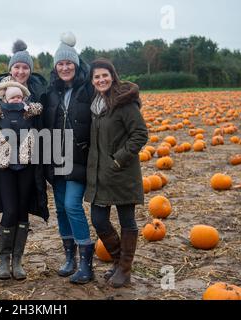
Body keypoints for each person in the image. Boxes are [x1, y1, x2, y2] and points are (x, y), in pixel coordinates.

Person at [0, 41, 49, 281]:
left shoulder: (35, 97)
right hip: (4, 164)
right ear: (11, 69)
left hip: (30, 162)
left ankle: (18, 261)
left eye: (25, 68)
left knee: (23, 211)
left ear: (30, 70)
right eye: (17, 67)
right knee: (9, 210)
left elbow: (43, 118)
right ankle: (3, 260)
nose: (21, 72)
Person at [84, 58, 148, 288]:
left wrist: (118, 159)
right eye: (96, 77)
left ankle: (124, 268)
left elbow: (140, 134)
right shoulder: (95, 106)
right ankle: (118, 261)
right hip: (100, 175)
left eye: (105, 75)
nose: (101, 80)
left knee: (127, 221)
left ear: (113, 76)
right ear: (92, 81)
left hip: (122, 173)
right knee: (99, 220)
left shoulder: (125, 104)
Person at [43, 32, 94, 284]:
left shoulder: (89, 89)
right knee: (62, 208)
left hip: (80, 158)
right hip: (56, 157)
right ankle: (69, 258)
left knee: (73, 205)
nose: (65, 67)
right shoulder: (51, 92)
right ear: (56, 67)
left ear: (76, 64)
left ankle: (86, 261)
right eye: (60, 64)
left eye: (69, 63)